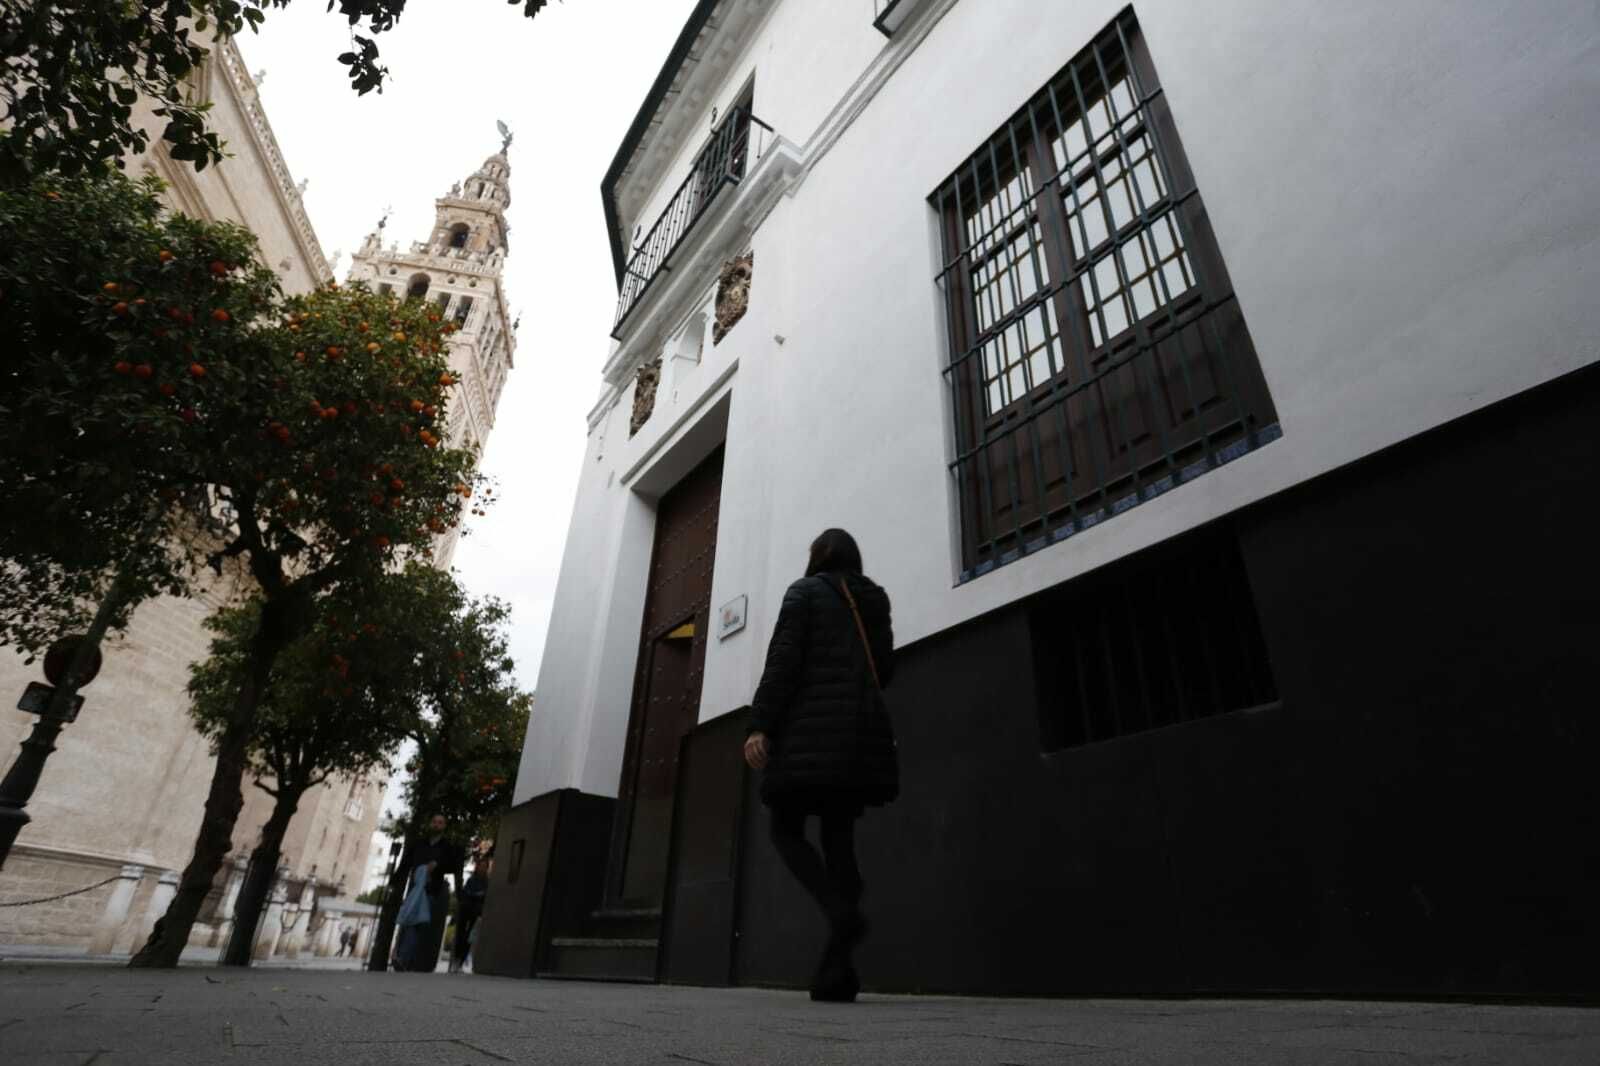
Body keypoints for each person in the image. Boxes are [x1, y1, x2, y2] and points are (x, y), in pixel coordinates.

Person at [744, 528, 897, 1003]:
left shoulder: (803, 592)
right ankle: (838, 975)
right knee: (838, 837)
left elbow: (783, 661)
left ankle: (840, 913)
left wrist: (760, 724)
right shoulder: (874, 599)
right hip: (857, 740)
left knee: (786, 830)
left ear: (817, 558)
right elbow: (885, 668)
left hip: (806, 736)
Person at [392, 813, 465, 972]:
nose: (437, 825)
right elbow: (406, 863)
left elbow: (454, 866)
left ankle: (404, 958)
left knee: (417, 922)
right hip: (414, 888)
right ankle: (404, 958)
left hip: (431, 890)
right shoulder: (419, 844)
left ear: (444, 826)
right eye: (434, 821)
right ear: (430, 824)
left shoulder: (446, 847)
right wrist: (395, 881)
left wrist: (437, 865)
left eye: (440, 822)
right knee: (411, 921)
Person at [449, 860, 489, 974]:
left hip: (475, 912)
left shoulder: (486, 882)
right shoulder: (472, 880)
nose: (482, 869)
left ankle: (460, 962)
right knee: (461, 935)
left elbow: (484, 895)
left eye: (484, 867)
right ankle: (456, 962)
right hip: (466, 910)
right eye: (480, 866)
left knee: (469, 938)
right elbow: (467, 892)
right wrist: (476, 894)